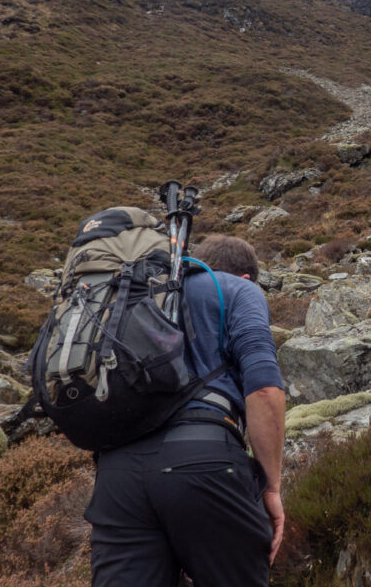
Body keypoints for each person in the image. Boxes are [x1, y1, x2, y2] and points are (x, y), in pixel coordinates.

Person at [84, 234, 286, 586]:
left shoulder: (140, 294)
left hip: (117, 475)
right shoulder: (238, 290)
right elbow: (265, 389)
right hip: (204, 458)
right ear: (246, 277)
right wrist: (271, 487)